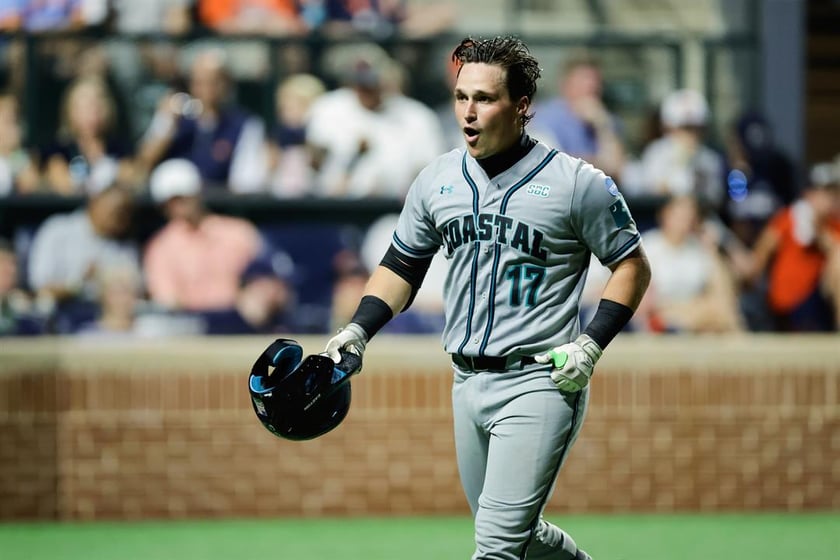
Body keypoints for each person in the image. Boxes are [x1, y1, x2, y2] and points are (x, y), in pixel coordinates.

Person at [322, 36, 651, 560]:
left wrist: (591, 343)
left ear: (522, 106)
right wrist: (357, 330)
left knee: (495, 547)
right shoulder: (438, 178)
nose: (468, 113)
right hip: (466, 380)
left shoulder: (576, 183)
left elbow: (631, 264)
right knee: (524, 537)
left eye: (484, 99)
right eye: (460, 97)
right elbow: (402, 265)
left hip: (541, 379)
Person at [137, 47, 268, 193]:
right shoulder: (174, 113)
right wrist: (166, 124)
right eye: (199, 82)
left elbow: (246, 183)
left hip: (220, 205)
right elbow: (143, 164)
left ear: (226, 84)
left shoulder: (244, 124)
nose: (207, 90)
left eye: (213, 82)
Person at [142, 158, 266, 312]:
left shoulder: (239, 232)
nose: (179, 205)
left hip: (241, 325)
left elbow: (266, 278)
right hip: (192, 328)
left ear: (197, 193)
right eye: (172, 201)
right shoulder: (160, 248)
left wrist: (260, 295)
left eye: (183, 197)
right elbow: (167, 301)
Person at [747, 160, 840, 331]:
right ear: (809, 194)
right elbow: (762, 250)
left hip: (817, 301)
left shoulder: (833, 225)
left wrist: (821, 235)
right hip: (789, 302)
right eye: (823, 192)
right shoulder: (790, 217)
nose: (830, 198)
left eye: (832, 192)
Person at [531, 50, 626, 178]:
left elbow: (616, 169)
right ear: (565, 85)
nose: (591, 88)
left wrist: (602, 125)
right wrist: (599, 163)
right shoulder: (545, 117)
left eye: (595, 83)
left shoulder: (606, 119)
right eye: (582, 82)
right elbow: (553, 168)